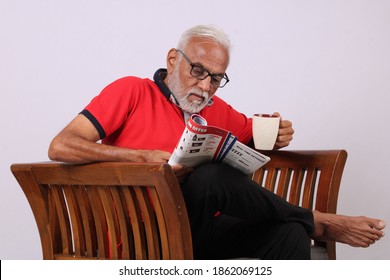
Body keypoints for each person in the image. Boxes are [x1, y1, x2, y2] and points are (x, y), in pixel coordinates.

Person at [48, 24, 385, 259]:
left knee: (290, 232)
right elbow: (61, 145)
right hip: (142, 235)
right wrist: (141, 157)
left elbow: (255, 134)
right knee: (209, 177)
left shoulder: (216, 109)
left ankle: (306, 223)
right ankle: (319, 221)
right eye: (198, 70)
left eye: (217, 78)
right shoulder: (133, 91)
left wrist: (276, 135)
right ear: (172, 59)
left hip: (197, 232)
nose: (206, 86)